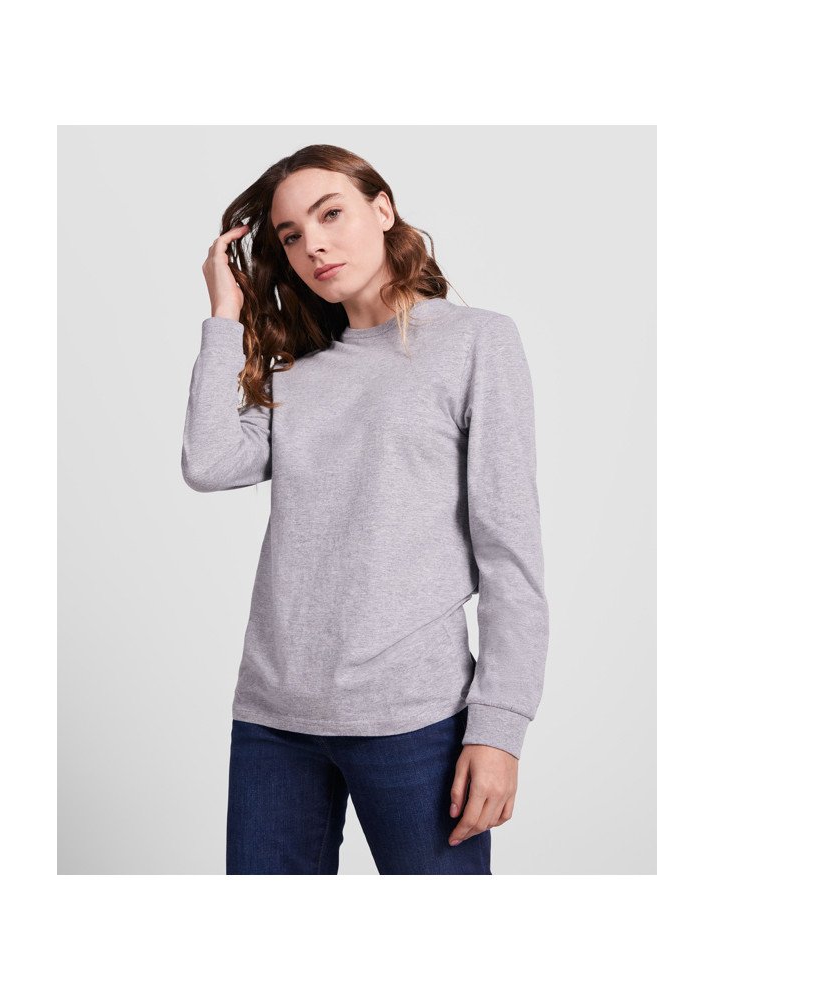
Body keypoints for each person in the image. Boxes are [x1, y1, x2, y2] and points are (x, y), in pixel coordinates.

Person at [181, 144, 550, 875]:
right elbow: (209, 462)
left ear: (383, 209)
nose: (313, 245)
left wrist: (500, 728)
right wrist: (224, 315)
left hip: (415, 718)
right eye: (291, 235)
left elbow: (510, 554)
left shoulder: (476, 342)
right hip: (273, 719)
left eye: (331, 214)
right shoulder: (300, 371)